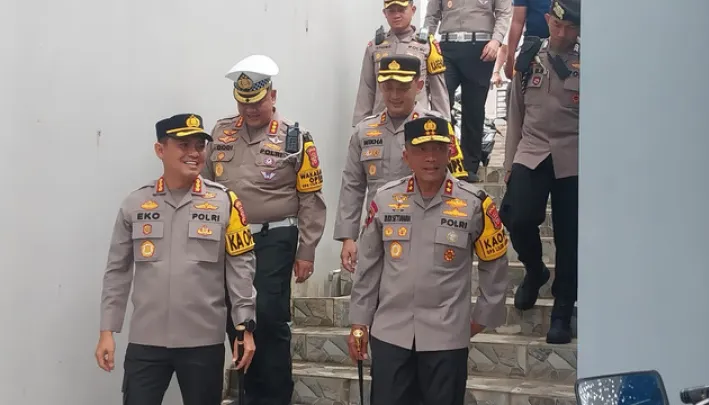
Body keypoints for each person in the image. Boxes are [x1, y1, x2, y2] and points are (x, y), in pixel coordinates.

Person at [95, 113, 257, 405]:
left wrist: (244, 326)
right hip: (146, 340)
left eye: (199, 145)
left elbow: (241, 269)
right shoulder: (135, 204)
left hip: (202, 341)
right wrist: (107, 330)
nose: (194, 153)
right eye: (183, 145)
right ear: (160, 150)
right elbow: (117, 271)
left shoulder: (225, 202)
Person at [347, 116, 510, 405]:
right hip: (391, 333)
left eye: (438, 148)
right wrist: (359, 321)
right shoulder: (384, 200)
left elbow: (495, 264)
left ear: (450, 152)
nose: (431, 158)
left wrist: (481, 318)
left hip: (446, 337)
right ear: (406, 156)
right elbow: (368, 266)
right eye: (422, 150)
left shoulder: (475, 203)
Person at [202, 54, 327, 405]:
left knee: (268, 317)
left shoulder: (294, 138)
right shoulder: (220, 132)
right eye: (243, 101)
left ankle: (274, 397)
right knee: (236, 318)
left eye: (256, 101)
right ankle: (249, 395)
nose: (250, 109)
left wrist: (307, 251)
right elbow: (206, 185)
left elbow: (311, 198)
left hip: (275, 237)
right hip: (230, 242)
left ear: (272, 95)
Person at [335, 55, 469, 273]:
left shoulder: (437, 128)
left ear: (419, 85)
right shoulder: (364, 131)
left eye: (402, 88)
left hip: (423, 232)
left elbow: (456, 185)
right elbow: (352, 185)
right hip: (377, 231)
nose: (394, 96)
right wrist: (348, 237)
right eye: (388, 88)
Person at [499, 0, 580, 344]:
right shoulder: (530, 55)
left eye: (570, 28)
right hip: (532, 150)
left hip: (573, 155)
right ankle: (535, 270)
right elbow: (515, 112)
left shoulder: (590, 62)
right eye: (557, 25)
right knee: (516, 217)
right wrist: (508, 164)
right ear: (547, 20)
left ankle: (562, 310)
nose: (562, 33)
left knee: (570, 238)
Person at [423, 0, 512, 182]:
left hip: (480, 48)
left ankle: (469, 166)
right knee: (440, 104)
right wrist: (424, 43)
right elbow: (431, 16)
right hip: (447, 48)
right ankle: (441, 158)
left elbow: (504, 13)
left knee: (474, 109)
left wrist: (496, 41)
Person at [352, 0, 451, 126]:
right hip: (381, 125)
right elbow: (366, 89)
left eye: (401, 10)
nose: (396, 15)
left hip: (417, 124)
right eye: (391, 11)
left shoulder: (428, 46)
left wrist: (444, 125)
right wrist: (359, 126)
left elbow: (438, 93)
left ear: (413, 10)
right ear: (384, 13)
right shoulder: (375, 47)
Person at [503, 0, 551, 81]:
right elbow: (517, 22)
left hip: (565, 44)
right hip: (533, 46)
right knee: (520, 83)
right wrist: (510, 60)